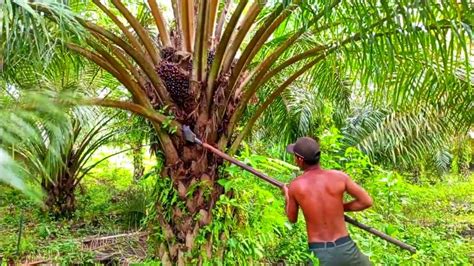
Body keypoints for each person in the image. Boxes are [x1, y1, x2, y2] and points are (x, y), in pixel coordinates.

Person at [283, 136, 373, 266]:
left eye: (295, 156)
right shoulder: (340, 177)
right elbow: (366, 201)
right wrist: (339, 207)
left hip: (321, 253)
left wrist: (287, 194)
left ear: (300, 159)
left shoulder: (296, 186)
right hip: (346, 248)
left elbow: (292, 218)